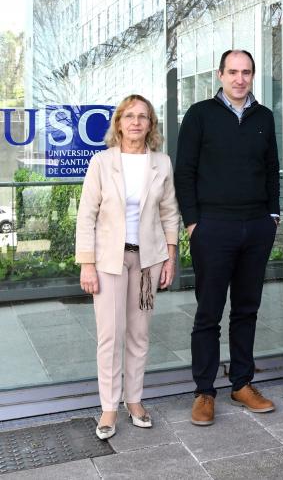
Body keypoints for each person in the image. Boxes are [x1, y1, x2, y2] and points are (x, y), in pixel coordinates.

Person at [175, 50, 281, 426]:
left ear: (253, 76)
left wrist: (272, 216)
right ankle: (205, 391)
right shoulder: (200, 115)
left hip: (256, 226)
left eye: (246, 72)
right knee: (208, 313)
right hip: (213, 227)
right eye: (233, 72)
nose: (240, 79)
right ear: (220, 75)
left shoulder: (264, 117)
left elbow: (272, 171)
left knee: (247, 309)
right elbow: (184, 171)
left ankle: (242, 383)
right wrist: (192, 223)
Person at [76, 94, 179, 439]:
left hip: (147, 261)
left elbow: (169, 212)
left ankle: (134, 400)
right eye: (129, 116)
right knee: (110, 335)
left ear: (151, 125)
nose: (136, 122)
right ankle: (109, 407)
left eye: (143, 117)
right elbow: (86, 216)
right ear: (118, 123)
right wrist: (87, 264)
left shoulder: (161, 163)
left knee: (139, 334)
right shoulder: (102, 163)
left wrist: (171, 255)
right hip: (108, 261)